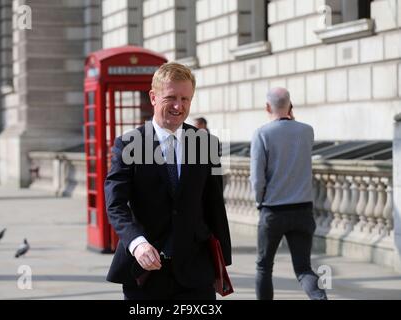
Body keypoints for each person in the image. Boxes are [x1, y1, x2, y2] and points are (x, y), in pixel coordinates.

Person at [104, 62, 232, 300]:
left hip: (196, 273)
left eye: (185, 99)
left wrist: (221, 262)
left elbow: (214, 203)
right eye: (171, 97)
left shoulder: (207, 144)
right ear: (153, 97)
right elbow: (115, 203)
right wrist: (137, 243)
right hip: (145, 273)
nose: (178, 106)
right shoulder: (130, 144)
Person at [250, 87, 327, 300]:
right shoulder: (307, 130)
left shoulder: (261, 133)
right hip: (303, 210)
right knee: (303, 268)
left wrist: (259, 202)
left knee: (264, 267)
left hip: (273, 211)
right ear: (290, 105)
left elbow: (257, 179)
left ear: (267, 107)